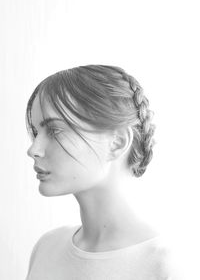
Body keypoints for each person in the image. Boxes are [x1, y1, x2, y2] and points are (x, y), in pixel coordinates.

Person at [25, 65, 181, 279]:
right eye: (36, 131)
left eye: (54, 130)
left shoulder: (167, 267)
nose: (33, 149)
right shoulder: (47, 248)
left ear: (117, 142)